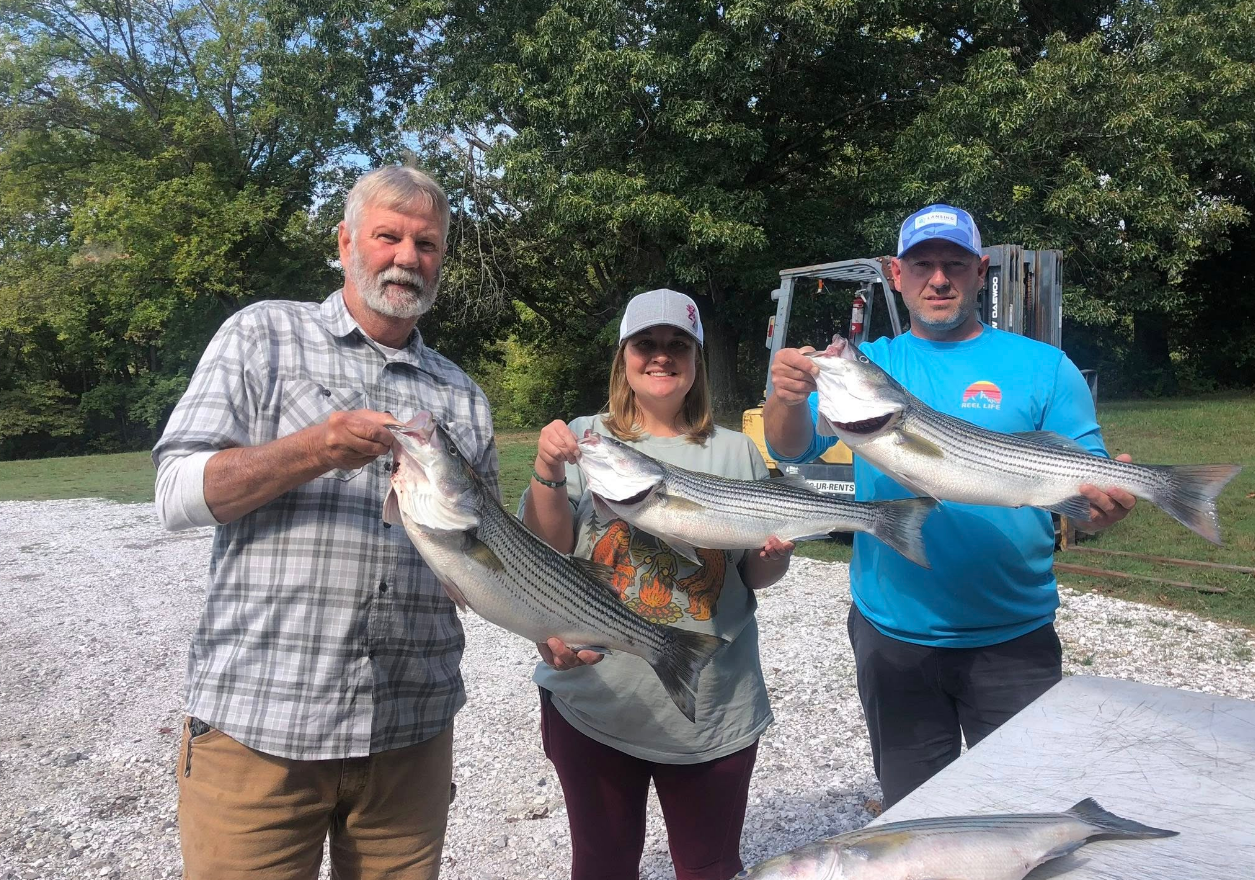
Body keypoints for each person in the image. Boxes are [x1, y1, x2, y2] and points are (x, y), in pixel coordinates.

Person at [151, 166, 498, 880]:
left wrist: (562, 625)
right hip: (261, 731)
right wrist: (311, 450)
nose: (407, 257)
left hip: (410, 733)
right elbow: (175, 494)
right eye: (387, 236)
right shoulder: (263, 334)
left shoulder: (461, 394)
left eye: (426, 243)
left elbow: (489, 557)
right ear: (344, 242)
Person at [763, 204, 1135, 808]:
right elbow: (794, 444)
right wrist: (782, 396)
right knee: (918, 814)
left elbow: (1087, 488)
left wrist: (1104, 506)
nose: (939, 278)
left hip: (1014, 637)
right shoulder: (874, 365)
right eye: (923, 264)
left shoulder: (1044, 367)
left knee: (1026, 812)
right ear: (896, 274)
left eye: (954, 264)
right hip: (895, 635)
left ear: (979, 269)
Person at [520, 288, 793, 880]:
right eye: (647, 344)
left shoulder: (735, 452)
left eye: (678, 345)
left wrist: (775, 554)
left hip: (714, 706)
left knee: (711, 867)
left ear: (697, 361)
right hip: (596, 699)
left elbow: (755, 576)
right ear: (624, 357)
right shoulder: (584, 437)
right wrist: (546, 471)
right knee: (601, 864)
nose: (661, 357)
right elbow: (548, 550)